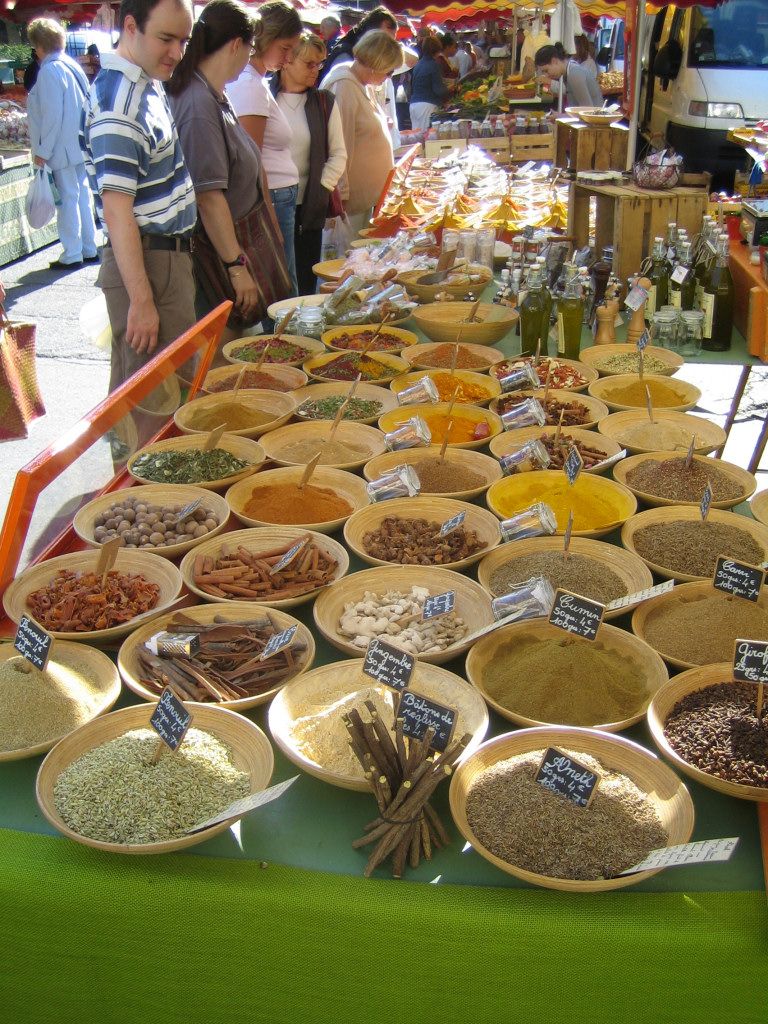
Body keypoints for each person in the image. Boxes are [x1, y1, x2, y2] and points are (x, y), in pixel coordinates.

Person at [80, 0, 198, 393]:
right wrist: (142, 300)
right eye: (166, 38)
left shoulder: (143, 82)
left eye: (183, 40)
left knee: (162, 397)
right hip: (149, 264)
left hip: (162, 260)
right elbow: (117, 212)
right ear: (131, 26)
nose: (177, 52)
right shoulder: (121, 102)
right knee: (153, 404)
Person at [167, 0, 289, 343]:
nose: (251, 56)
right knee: (224, 359)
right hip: (219, 259)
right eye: (250, 47)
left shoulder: (213, 94)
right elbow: (208, 196)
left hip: (236, 246)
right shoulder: (197, 101)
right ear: (237, 44)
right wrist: (237, 267)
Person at [228, 0, 302, 295]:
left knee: (283, 283)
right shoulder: (249, 84)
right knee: (281, 287)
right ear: (265, 40)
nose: (289, 57)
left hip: (278, 197)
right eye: (285, 48)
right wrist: (269, 215)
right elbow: (252, 159)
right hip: (273, 199)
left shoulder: (255, 81)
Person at [270, 32, 347, 295]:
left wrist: (320, 189)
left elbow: (339, 154)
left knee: (304, 279)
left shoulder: (323, 102)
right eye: (309, 64)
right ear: (287, 61)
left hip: (309, 207)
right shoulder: (265, 97)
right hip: (272, 205)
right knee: (277, 279)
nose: (316, 71)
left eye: (319, 64)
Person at [26, 18, 98, 270]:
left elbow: (52, 115)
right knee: (81, 196)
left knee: (69, 198)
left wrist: (42, 151)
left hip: (62, 148)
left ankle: (72, 252)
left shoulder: (49, 71)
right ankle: (87, 247)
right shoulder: (72, 66)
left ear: (39, 46)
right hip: (78, 144)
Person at [323, 30, 402, 236]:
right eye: (389, 71)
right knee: (350, 257)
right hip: (351, 207)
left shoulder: (361, 84)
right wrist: (342, 194)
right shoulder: (345, 86)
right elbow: (339, 144)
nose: (388, 77)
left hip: (365, 202)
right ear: (377, 64)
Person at [534, 41, 602, 107]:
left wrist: (561, 116)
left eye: (546, 70)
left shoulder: (574, 74)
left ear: (554, 61)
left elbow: (587, 110)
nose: (546, 75)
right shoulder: (569, 71)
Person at [409, 36, 449, 130]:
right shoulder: (433, 65)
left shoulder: (418, 64)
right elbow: (438, 90)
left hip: (414, 104)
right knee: (426, 136)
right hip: (427, 105)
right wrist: (449, 90)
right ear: (438, 50)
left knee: (417, 137)